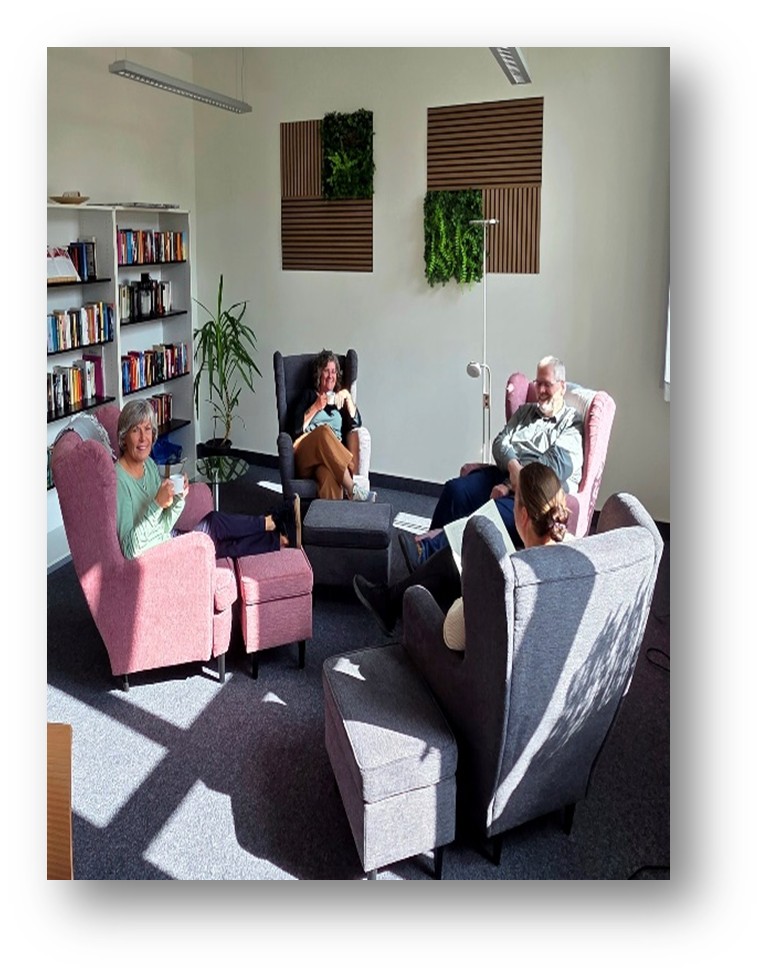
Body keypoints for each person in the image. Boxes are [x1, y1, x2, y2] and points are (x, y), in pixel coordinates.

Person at [399, 354, 583, 568]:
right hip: (506, 473)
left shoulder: (571, 422)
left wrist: (512, 484)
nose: (540, 390)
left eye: (547, 384)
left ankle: (426, 552)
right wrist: (513, 468)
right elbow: (500, 442)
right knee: (456, 491)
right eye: (538, 383)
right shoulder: (525, 412)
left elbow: (553, 466)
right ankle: (432, 552)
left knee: (488, 515)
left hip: (536, 494)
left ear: (562, 386)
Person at [353, 462, 571, 639]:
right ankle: (396, 596)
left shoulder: (510, 576)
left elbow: (454, 635)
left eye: (514, 503)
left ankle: (392, 601)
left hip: (476, 663)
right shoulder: (573, 554)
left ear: (523, 516)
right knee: (453, 557)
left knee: (453, 560)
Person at [115, 399, 299, 561]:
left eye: (147, 429)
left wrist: (177, 499)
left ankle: (279, 539)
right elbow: (130, 550)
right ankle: (270, 522)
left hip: (167, 538)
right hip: (157, 555)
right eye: (135, 430)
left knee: (217, 543)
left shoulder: (148, 465)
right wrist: (157, 504)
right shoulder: (118, 480)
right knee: (214, 523)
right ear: (124, 437)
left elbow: (164, 525)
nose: (143, 438)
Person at [290, 349, 375, 501]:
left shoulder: (338, 400)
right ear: (319, 374)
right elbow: (295, 429)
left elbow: (356, 424)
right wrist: (316, 407)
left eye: (334, 371)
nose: (331, 376)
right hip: (307, 454)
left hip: (330, 460)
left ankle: (332, 516)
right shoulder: (309, 395)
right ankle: (352, 488)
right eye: (326, 371)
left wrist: (347, 397)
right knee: (324, 431)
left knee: (328, 476)